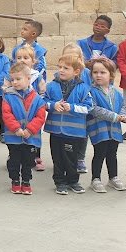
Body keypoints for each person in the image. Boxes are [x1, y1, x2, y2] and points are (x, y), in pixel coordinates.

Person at [44, 55, 94, 195]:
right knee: (57, 158)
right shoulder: (51, 85)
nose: (61, 70)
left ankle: (73, 181)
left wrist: (71, 107)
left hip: (74, 132)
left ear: (76, 72)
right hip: (56, 131)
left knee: (71, 158)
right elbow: (42, 103)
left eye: (66, 68)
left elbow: (88, 108)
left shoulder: (84, 88)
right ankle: (60, 182)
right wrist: (53, 105)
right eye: (60, 67)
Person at [2, 63, 47, 195]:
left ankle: (26, 181)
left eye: (18, 79)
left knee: (28, 161)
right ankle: (15, 180)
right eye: (13, 79)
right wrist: (16, 128)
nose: (14, 82)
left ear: (28, 79)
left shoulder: (37, 98)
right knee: (14, 160)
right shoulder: (8, 97)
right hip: (13, 136)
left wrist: (30, 130)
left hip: (30, 137)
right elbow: (6, 114)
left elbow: (40, 116)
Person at [86, 59, 126, 193]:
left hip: (114, 129)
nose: (98, 75)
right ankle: (95, 179)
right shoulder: (91, 91)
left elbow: (123, 106)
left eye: (102, 72)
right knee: (99, 153)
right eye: (95, 72)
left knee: (112, 153)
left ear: (111, 75)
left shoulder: (116, 92)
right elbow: (93, 109)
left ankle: (113, 177)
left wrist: (123, 116)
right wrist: (115, 117)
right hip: (99, 129)